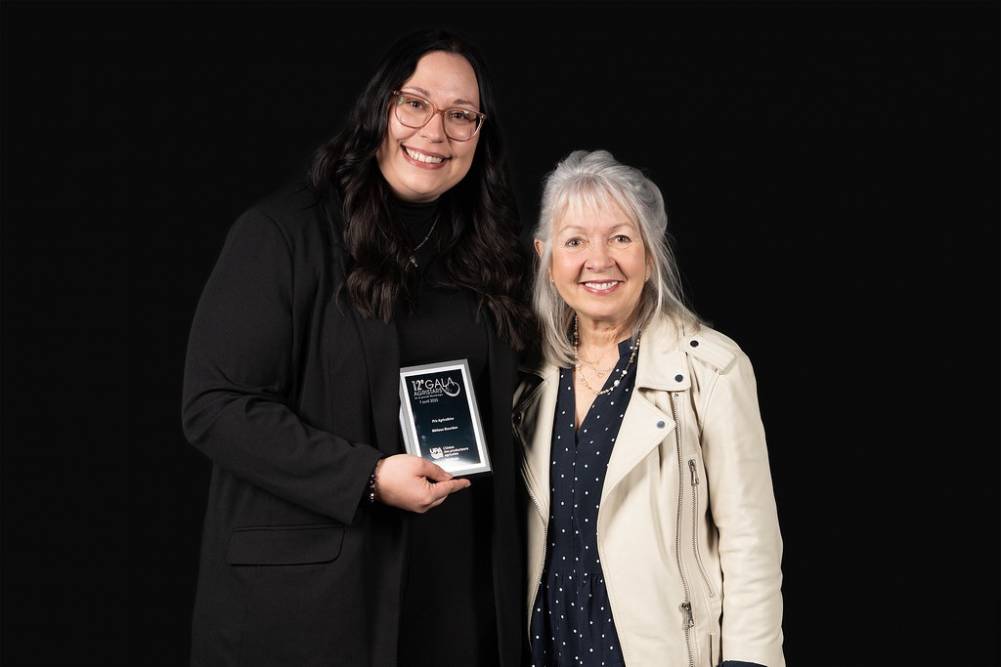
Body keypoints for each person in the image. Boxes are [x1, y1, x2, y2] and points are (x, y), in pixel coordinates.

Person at [181, 29, 532, 667]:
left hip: (460, 591)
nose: (435, 132)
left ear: (481, 136)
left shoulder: (493, 255)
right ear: (379, 109)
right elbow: (215, 406)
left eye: (461, 116)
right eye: (415, 104)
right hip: (318, 600)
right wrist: (367, 478)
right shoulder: (281, 236)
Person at [514, 150, 784, 666]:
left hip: (659, 649)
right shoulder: (528, 378)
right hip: (547, 646)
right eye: (575, 241)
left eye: (620, 237)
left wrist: (750, 661)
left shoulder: (713, 370)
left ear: (649, 253)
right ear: (547, 258)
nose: (599, 260)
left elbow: (752, 540)